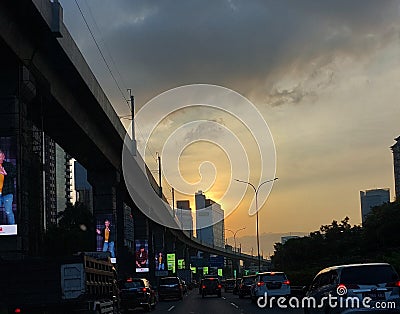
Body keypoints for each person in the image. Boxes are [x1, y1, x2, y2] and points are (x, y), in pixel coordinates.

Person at [0, 150, 16, 225]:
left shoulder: (8, 165)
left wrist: (6, 174)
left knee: (8, 211)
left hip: (7, 193)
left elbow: (14, 173)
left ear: (3, 157)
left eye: (0, 157)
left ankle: (12, 228)